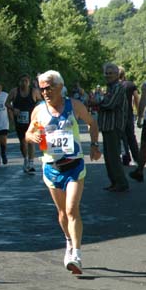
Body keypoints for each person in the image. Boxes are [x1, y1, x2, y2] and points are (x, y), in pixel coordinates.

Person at [26, 70, 101, 274]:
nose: (45, 92)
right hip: (51, 167)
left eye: (48, 88)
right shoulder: (39, 110)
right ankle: (68, 240)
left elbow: (92, 123)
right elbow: (29, 132)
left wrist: (94, 145)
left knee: (71, 209)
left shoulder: (74, 106)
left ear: (59, 86)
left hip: (74, 165)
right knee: (61, 213)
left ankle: (76, 254)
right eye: (41, 89)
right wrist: (32, 137)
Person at [96, 63, 129, 192]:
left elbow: (109, 104)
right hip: (106, 126)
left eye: (111, 73)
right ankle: (114, 182)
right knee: (108, 157)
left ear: (117, 74)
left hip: (114, 126)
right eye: (106, 73)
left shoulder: (118, 88)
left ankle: (121, 182)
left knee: (114, 156)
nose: (108, 75)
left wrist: (97, 103)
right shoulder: (109, 88)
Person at [7, 73, 41, 173]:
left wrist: (37, 108)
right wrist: (13, 109)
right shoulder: (14, 91)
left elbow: (40, 101)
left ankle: (31, 163)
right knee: (23, 142)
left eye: (26, 81)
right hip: (20, 121)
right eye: (22, 81)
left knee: (31, 141)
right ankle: (25, 159)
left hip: (32, 121)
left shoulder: (34, 91)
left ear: (29, 82)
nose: (24, 83)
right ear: (19, 82)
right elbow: (7, 103)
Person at [118, 67, 140, 166]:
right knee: (131, 136)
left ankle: (125, 157)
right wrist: (139, 111)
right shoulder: (130, 85)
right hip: (129, 113)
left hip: (118, 114)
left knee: (121, 137)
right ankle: (137, 158)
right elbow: (136, 97)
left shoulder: (115, 85)